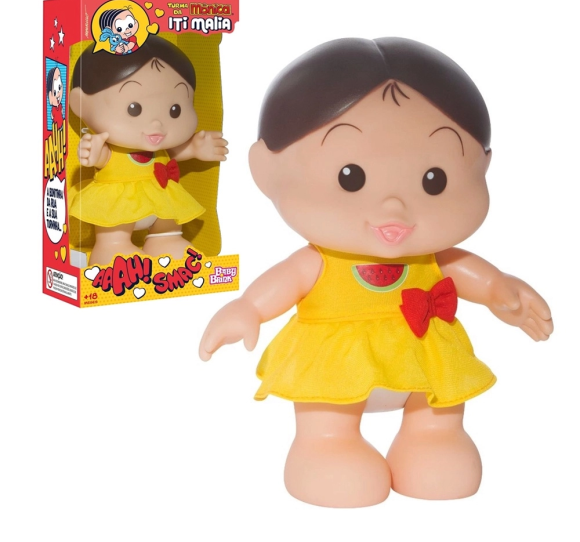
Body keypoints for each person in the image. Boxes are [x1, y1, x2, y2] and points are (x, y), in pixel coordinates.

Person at [199, 37, 553, 507]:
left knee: (439, 413)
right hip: (336, 365)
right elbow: (284, 282)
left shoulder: (435, 257)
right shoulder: (320, 260)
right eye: (352, 177)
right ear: (267, 170)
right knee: (330, 419)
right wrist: (248, 308)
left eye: (433, 180)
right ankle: (326, 447)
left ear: (482, 168)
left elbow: (476, 276)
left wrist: (500, 289)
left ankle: (432, 437)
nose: (394, 207)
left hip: (425, 354)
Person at [69, 35, 228, 265]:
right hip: (119, 205)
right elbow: (104, 158)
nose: (157, 124)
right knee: (114, 232)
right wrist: (93, 153)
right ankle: (112, 249)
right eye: (134, 108)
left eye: (175, 110)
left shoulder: (162, 147)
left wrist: (195, 147)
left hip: (160, 200)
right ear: (80, 104)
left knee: (168, 226)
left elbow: (173, 154)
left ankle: (165, 242)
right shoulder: (113, 149)